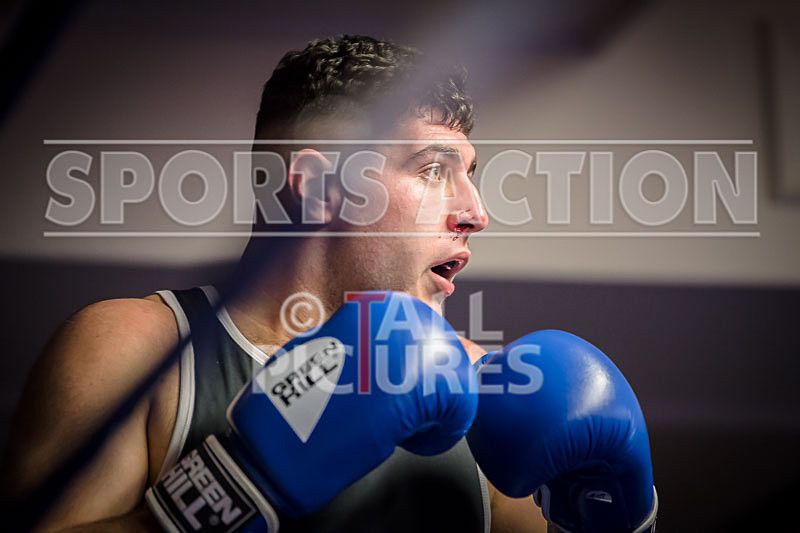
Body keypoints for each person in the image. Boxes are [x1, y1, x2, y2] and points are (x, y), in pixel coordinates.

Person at [0, 35, 552, 531]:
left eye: (468, 176)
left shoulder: (488, 390)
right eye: (434, 170)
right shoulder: (133, 350)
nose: (476, 212)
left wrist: (623, 518)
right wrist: (234, 488)